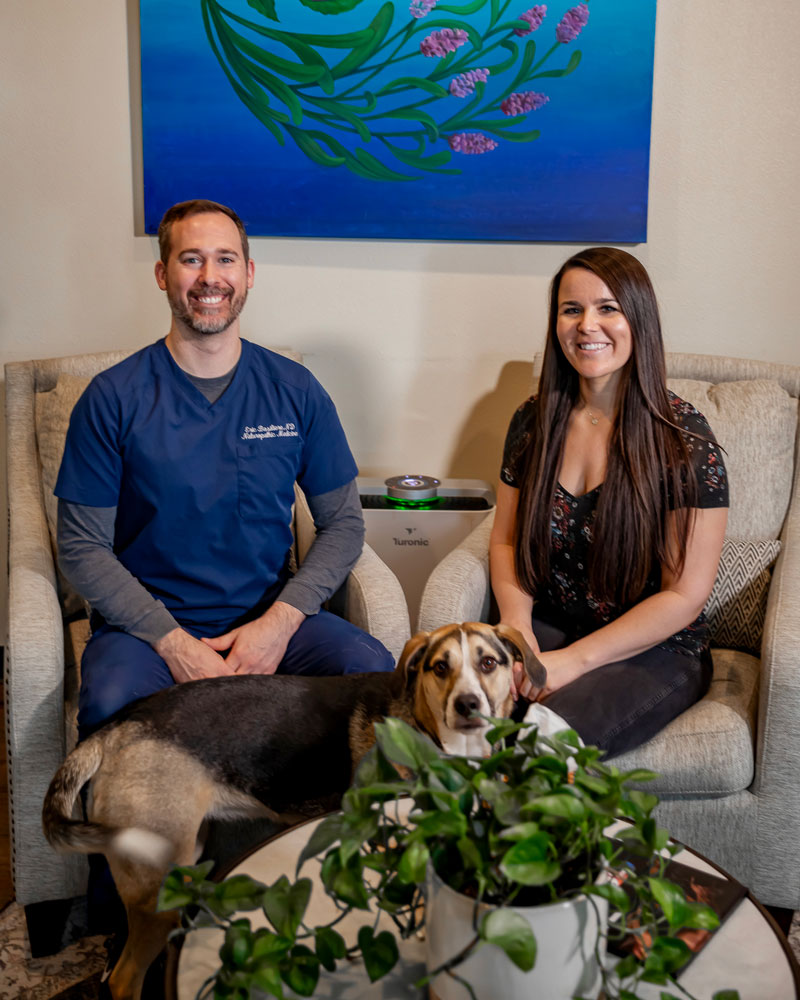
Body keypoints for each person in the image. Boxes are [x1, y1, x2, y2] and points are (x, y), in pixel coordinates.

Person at [56, 199, 394, 741]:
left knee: (370, 671)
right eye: (191, 259)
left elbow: (343, 524)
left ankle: (329, 828)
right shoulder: (112, 398)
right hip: (145, 631)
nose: (209, 277)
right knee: (111, 701)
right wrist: (173, 643)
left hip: (267, 614)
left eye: (226, 259)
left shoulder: (295, 390)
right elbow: (81, 547)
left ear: (249, 273)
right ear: (163, 274)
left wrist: (279, 623)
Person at [490, 247, 728, 758]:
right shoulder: (532, 421)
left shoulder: (685, 442)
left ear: (637, 319)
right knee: (451, 718)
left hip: (654, 651)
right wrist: (519, 633)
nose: (586, 325)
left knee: (534, 750)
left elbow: (683, 595)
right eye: (571, 309)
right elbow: (507, 539)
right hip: (552, 624)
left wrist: (572, 662)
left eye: (607, 308)